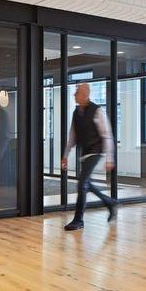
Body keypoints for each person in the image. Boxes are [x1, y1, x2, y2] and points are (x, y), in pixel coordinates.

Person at [61, 83, 117, 231]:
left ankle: (78, 220)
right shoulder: (76, 112)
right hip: (84, 153)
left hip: (95, 152)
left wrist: (109, 158)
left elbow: (107, 135)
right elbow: (72, 136)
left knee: (82, 184)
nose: (74, 95)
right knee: (85, 183)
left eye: (77, 93)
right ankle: (110, 202)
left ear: (84, 95)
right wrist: (65, 155)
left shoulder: (97, 111)